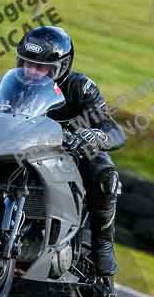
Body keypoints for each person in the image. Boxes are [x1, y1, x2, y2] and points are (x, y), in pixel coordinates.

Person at [15, 25, 125, 278]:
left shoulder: (81, 87)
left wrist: (97, 136)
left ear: (62, 67)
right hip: (29, 147)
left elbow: (113, 128)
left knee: (106, 175)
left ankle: (102, 244)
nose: (32, 71)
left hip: (74, 151)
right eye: (27, 64)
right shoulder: (15, 83)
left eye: (41, 67)